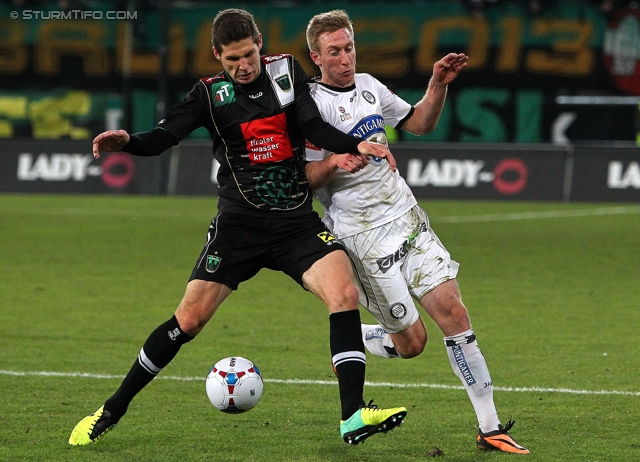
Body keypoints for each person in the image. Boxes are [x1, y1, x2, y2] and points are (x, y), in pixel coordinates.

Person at [69, 8, 407, 447]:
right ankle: (110, 410)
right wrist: (129, 142)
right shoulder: (208, 94)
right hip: (240, 225)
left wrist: (354, 143)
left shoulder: (286, 71)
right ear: (217, 55)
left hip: (295, 222)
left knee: (343, 294)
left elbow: (312, 124)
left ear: (260, 43)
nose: (242, 66)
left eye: (248, 55)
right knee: (188, 320)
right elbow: (164, 136)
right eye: (231, 60)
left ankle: (352, 415)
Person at [304, 9, 529, 455]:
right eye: (335, 52)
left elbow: (419, 123)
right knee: (412, 345)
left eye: (349, 47)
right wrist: (333, 162)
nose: (346, 58)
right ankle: (355, 341)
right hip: (362, 238)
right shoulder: (312, 107)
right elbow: (304, 178)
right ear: (317, 57)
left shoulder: (369, 86)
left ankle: (490, 427)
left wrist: (437, 85)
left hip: (407, 218)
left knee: (454, 312)